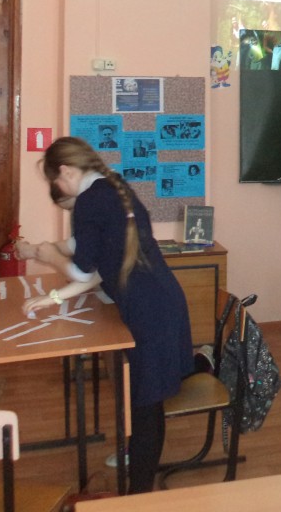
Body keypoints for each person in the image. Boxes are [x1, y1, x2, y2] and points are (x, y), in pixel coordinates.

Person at [21, 137, 193, 494]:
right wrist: (43, 258)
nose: (57, 188)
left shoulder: (89, 201)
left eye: (55, 181)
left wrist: (50, 259)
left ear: (65, 171)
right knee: (147, 403)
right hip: (161, 302)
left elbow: (82, 271)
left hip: (149, 311)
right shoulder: (112, 188)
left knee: (146, 408)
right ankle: (138, 485)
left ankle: (138, 495)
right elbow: (88, 250)